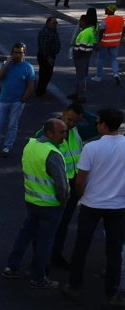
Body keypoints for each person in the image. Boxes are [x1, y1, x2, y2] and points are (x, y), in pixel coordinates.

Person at [62, 107, 125, 308]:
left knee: (82, 246)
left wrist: (79, 195)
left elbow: (81, 179)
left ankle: (74, 286)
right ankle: (111, 292)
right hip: (118, 206)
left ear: (104, 125)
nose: (96, 125)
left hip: (92, 203)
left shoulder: (91, 148)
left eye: (97, 122)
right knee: (114, 250)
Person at [1, 118, 70, 288]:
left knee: (24, 236)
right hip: (50, 206)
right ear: (49, 133)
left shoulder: (31, 145)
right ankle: (38, 278)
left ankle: (11, 267)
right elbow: (62, 185)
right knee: (44, 242)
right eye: (61, 132)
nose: (65, 136)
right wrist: (64, 202)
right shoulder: (53, 153)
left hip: (32, 202)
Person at [48, 103, 86, 269]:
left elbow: (94, 121)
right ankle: (44, 258)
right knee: (51, 224)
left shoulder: (75, 131)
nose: (71, 124)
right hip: (57, 184)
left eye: (75, 121)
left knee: (63, 223)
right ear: (62, 114)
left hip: (72, 182)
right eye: (69, 119)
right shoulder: (51, 130)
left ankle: (56, 255)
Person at [0, 41, 35, 157]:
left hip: (17, 101)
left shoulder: (28, 67)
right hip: (3, 100)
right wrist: (6, 65)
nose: (17, 55)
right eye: (15, 52)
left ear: (24, 54)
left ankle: (7, 147)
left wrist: (23, 99)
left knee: (12, 124)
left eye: (20, 53)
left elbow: (30, 85)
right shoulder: (5, 64)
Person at [70, 10, 97, 102]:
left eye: (80, 21)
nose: (79, 23)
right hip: (86, 55)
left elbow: (82, 47)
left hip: (81, 56)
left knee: (81, 77)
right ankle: (77, 93)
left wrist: (76, 55)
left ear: (84, 22)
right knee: (80, 76)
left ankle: (81, 96)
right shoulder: (92, 29)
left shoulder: (85, 32)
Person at [94, 3, 122, 84]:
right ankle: (116, 74)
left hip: (105, 42)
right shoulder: (120, 19)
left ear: (110, 10)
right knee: (114, 59)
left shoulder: (105, 21)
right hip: (115, 42)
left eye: (106, 9)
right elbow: (123, 29)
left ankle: (98, 76)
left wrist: (99, 42)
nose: (105, 10)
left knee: (100, 58)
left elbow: (101, 32)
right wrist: (120, 38)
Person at [35, 16, 61, 98]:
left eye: (56, 23)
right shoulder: (45, 32)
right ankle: (41, 91)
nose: (55, 24)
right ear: (48, 23)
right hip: (45, 56)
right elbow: (44, 46)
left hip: (50, 55)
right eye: (53, 23)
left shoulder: (53, 30)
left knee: (47, 74)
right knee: (45, 74)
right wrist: (48, 58)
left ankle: (42, 90)